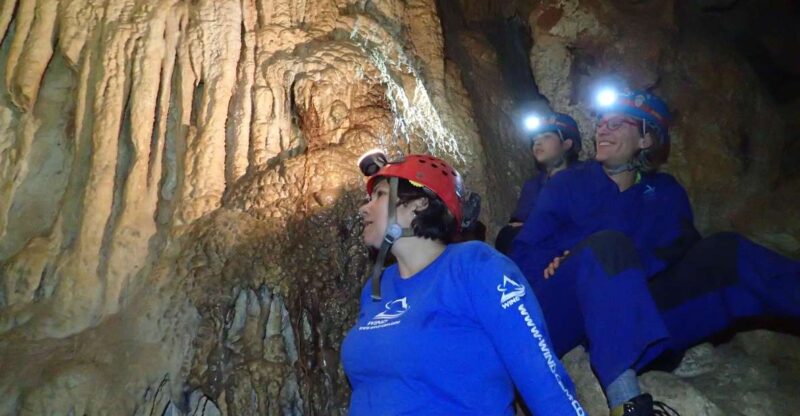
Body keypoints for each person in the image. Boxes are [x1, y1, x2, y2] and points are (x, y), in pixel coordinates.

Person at [509, 87, 800, 416]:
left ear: (646, 140)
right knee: (607, 246)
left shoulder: (664, 193)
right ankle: (627, 402)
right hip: (565, 310)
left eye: (617, 124)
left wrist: (628, 270)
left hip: (636, 315)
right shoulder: (567, 184)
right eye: (602, 123)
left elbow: (679, 251)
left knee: (725, 250)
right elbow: (524, 252)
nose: (602, 128)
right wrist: (565, 262)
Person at [342, 151, 585, 416]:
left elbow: (541, 377)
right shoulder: (377, 288)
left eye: (379, 195)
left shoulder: (475, 266)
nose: (364, 208)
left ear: (419, 204)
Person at [495, 112, 583, 254]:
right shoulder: (533, 186)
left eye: (546, 136)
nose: (537, 142)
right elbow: (518, 224)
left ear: (567, 144)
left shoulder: (586, 177)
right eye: (535, 139)